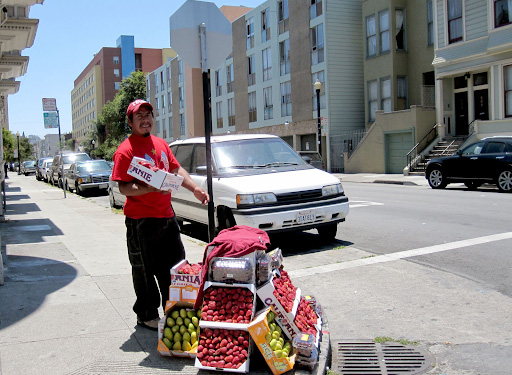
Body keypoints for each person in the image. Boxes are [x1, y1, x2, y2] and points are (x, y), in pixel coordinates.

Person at [111, 99, 209, 331]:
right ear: (130, 122)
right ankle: (146, 314)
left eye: (148, 115)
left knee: (176, 267)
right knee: (144, 270)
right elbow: (123, 188)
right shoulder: (125, 151)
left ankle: (175, 309)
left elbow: (175, 170)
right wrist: (148, 188)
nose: (145, 120)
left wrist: (194, 188)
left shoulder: (161, 144)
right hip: (140, 222)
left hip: (167, 217)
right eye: (139, 116)